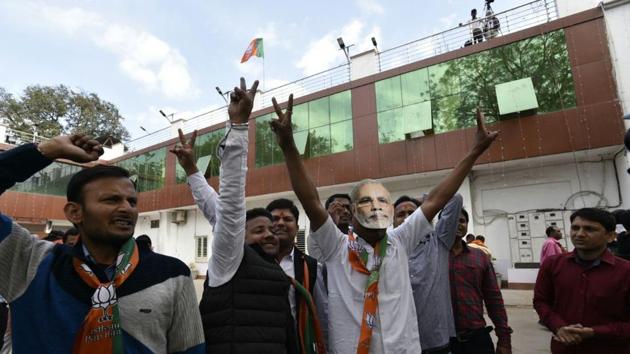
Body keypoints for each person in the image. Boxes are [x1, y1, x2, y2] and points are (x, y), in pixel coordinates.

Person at [270, 93, 498, 353]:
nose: (376, 206)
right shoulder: (337, 247)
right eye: (367, 201)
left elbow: (437, 198)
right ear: (353, 213)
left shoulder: (401, 240)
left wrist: (475, 151)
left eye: (382, 201)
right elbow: (309, 198)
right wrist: (288, 145)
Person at [0, 134, 205, 353]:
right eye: (111, 200)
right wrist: (48, 150)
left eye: (132, 201)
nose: (127, 208)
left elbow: (190, 350)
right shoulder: (28, 262)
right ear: (74, 212)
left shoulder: (173, 274)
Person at [173, 78, 298, 353]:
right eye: (258, 230)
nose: (269, 233)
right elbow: (229, 206)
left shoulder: (271, 265)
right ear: (237, 237)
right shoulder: (230, 260)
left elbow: (213, 206)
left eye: (270, 229)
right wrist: (239, 125)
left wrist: (192, 170)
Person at [534, 208, 630, 353]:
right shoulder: (552, 265)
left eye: (590, 229)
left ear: (610, 236)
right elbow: (541, 301)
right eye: (575, 228)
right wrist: (559, 327)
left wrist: (595, 331)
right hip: (564, 348)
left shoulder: (626, 272)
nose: (579, 234)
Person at [394, 194, 462, 354]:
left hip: (435, 339)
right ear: (393, 221)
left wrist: (427, 199)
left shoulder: (440, 239)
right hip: (401, 340)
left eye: (412, 214)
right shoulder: (388, 248)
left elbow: (455, 198)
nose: (406, 219)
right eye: (400, 215)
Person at [267, 198, 328, 351]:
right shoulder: (252, 262)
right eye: (275, 219)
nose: (281, 223)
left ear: (297, 227)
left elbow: (321, 313)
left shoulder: (311, 267)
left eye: (287, 219)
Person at [449, 209, 512, 354]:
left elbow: (493, 298)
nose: (458, 224)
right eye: (452, 219)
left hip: (477, 338)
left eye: (462, 221)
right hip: (442, 342)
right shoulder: (432, 257)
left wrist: (504, 339)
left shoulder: (479, 257)